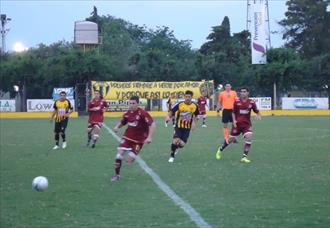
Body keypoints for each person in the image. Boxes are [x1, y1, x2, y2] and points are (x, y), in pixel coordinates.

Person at [111, 96, 156, 182]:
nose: (131, 105)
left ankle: (130, 156)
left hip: (138, 141)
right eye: (130, 103)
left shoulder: (142, 113)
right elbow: (123, 121)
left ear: (138, 104)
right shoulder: (128, 113)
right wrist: (117, 127)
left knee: (129, 160)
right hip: (127, 138)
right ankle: (117, 175)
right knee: (118, 155)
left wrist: (150, 137)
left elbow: (153, 125)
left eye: (133, 103)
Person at [215, 86, 261, 163]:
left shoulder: (251, 102)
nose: (242, 93)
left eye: (244, 91)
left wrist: (258, 114)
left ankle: (244, 157)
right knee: (230, 139)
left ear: (248, 93)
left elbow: (256, 110)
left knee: (249, 137)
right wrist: (234, 121)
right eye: (241, 92)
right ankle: (220, 149)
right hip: (237, 125)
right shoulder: (237, 102)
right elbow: (233, 112)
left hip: (247, 124)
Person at [165, 90, 199, 163]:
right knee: (175, 140)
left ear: (191, 97)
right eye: (186, 96)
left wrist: (194, 123)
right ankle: (172, 156)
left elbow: (196, 115)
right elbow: (172, 111)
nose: (187, 98)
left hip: (187, 128)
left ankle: (177, 148)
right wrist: (168, 116)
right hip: (178, 126)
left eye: (189, 97)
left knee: (182, 144)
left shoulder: (194, 106)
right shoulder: (180, 104)